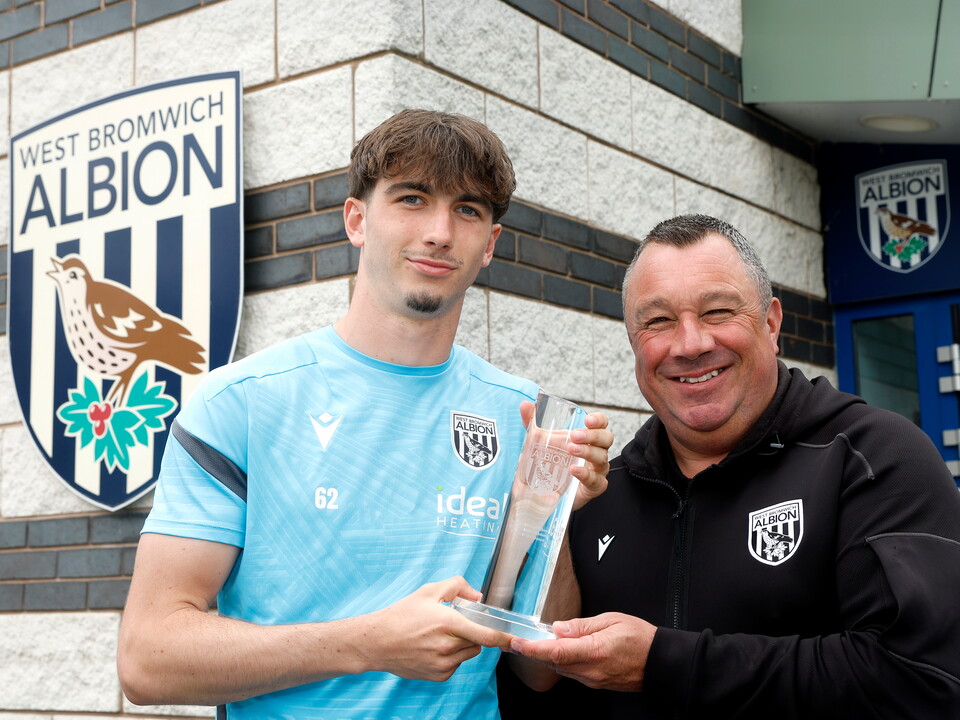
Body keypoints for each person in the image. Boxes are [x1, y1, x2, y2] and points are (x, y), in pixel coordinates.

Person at [116, 109, 612, 720]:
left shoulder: (524, 419)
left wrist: (553, 514)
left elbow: (538, 669)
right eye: (412, 198)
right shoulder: (239, 404)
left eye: (467, 210)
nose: (438, 231)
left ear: (490, 245)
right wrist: (368, 643)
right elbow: (146, 659)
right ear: (356, 219)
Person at [508, 214, 960, 719]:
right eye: (657, 321)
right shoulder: (600, 495)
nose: (690, 344)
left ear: (771, 323)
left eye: (718, 311)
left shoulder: (877, 459)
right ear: (634, 343)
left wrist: (664, 664)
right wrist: (545, 522)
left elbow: (923, 681)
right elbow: (538, 685)